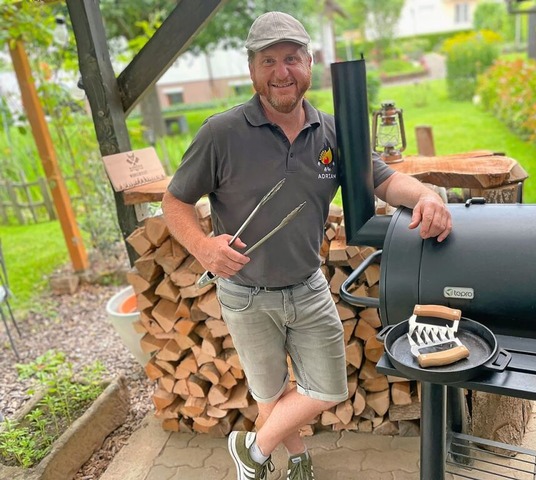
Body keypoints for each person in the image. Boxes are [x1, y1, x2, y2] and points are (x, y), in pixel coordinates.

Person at [161, 11, 452, 480]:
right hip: (245, 293)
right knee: (269, 393)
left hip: (308, 288)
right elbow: (173, 200)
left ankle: (252, 451)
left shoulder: (333, 132)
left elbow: (384, 180)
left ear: (309, 63)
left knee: (329, 389)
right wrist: (202, 246)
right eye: (269, 60)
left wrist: (426, 196)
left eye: (292, 58)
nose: (282, 72)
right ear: (252, 69)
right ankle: (296, 459)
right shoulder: (222, 133)